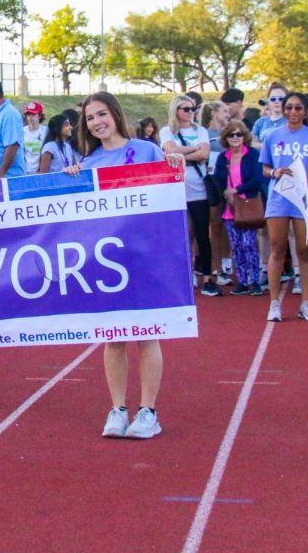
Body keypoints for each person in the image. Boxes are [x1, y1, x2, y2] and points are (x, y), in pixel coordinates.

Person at [63, 91, 182, 440]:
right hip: (107, 263)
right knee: (113, 337)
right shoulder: (88, 164)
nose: (97, 122)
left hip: (145, 257)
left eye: (102, 114)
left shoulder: (146, 150)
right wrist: (70, 179)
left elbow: (169, 188)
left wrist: (176, 166)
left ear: (115, 114)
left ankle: (148, 412)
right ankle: (117, 409)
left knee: (146, 334)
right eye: (89, 118)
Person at [260, 92, 308, 322]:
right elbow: (266, 169)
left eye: (298, 108)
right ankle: (274, 303)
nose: (293, 112)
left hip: (304, 200)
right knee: (278, 248)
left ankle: (306, 303)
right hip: (279, 198)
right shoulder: (272, 136)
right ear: (283, 109)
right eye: (289, 107)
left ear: (305, 110)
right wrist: (275, 172)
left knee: (304, 250)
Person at [160, 95, 221, 296]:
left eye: (192, 108)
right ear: (175, 110)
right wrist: (194, 148)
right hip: (176, 190)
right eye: (185, 109)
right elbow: (170, 152)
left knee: (203, 235)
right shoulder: (166, 131)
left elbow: (203, 154)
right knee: (183, 235)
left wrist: (182, 153)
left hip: (199, 190)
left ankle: (207, 277)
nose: (190, 112)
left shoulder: (200, 130)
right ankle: (185, 274)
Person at [213, 121, 264, 296]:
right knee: (236, 245)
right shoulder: (222, 157)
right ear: (225, 138)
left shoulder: (252, 155)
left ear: (244, 136)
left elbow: (257, 179)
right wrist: (226, 194)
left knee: (249, 243)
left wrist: (237, 190)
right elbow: (218, 180)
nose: (235, 138)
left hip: (248, 205)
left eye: (239, 134)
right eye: (231, 135)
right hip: (229, 208)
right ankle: (242, 280)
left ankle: (255, 280)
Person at [201, 101, 233, 285]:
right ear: (213, 113)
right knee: (213, 225)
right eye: (225, 111)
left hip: (228, 183)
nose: (228, 114)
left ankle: (227, 261)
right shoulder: (204, 134)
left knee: (228, 223)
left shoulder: (228, 133)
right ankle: (215, 264)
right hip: (209, 183)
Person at [251, 82, 288, 149]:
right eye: (273, 99)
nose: (277, 101)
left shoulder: (292, 122)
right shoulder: (260, 122)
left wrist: (261, 146)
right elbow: (252, 143)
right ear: (268, 101)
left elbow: (285, 145)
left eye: (281, 99)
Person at [23, 101, 46, 173]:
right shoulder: (21, 131)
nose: (30, 117)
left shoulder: (46, 131)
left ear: (40, 116)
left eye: (33, 114)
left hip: (40, 173)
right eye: (28, 115)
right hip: (25, 173)